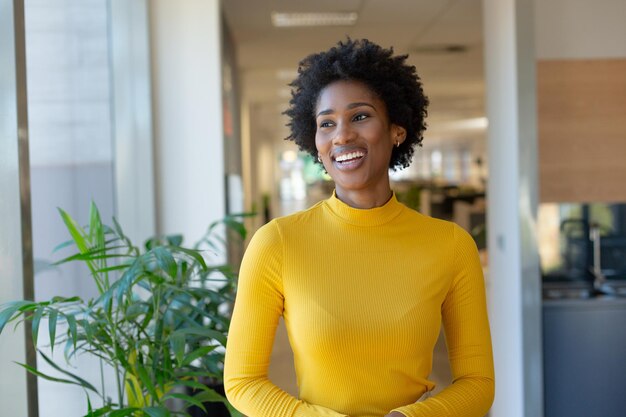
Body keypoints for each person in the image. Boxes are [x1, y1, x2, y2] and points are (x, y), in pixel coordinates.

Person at [224, 38, 495, 417]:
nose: (342, 135)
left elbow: (478, 384)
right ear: (315, 140)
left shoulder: (450, 245)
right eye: (327, 123)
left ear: (396, 129)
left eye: (361, 116)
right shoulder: (278, 243)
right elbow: (242, 381)